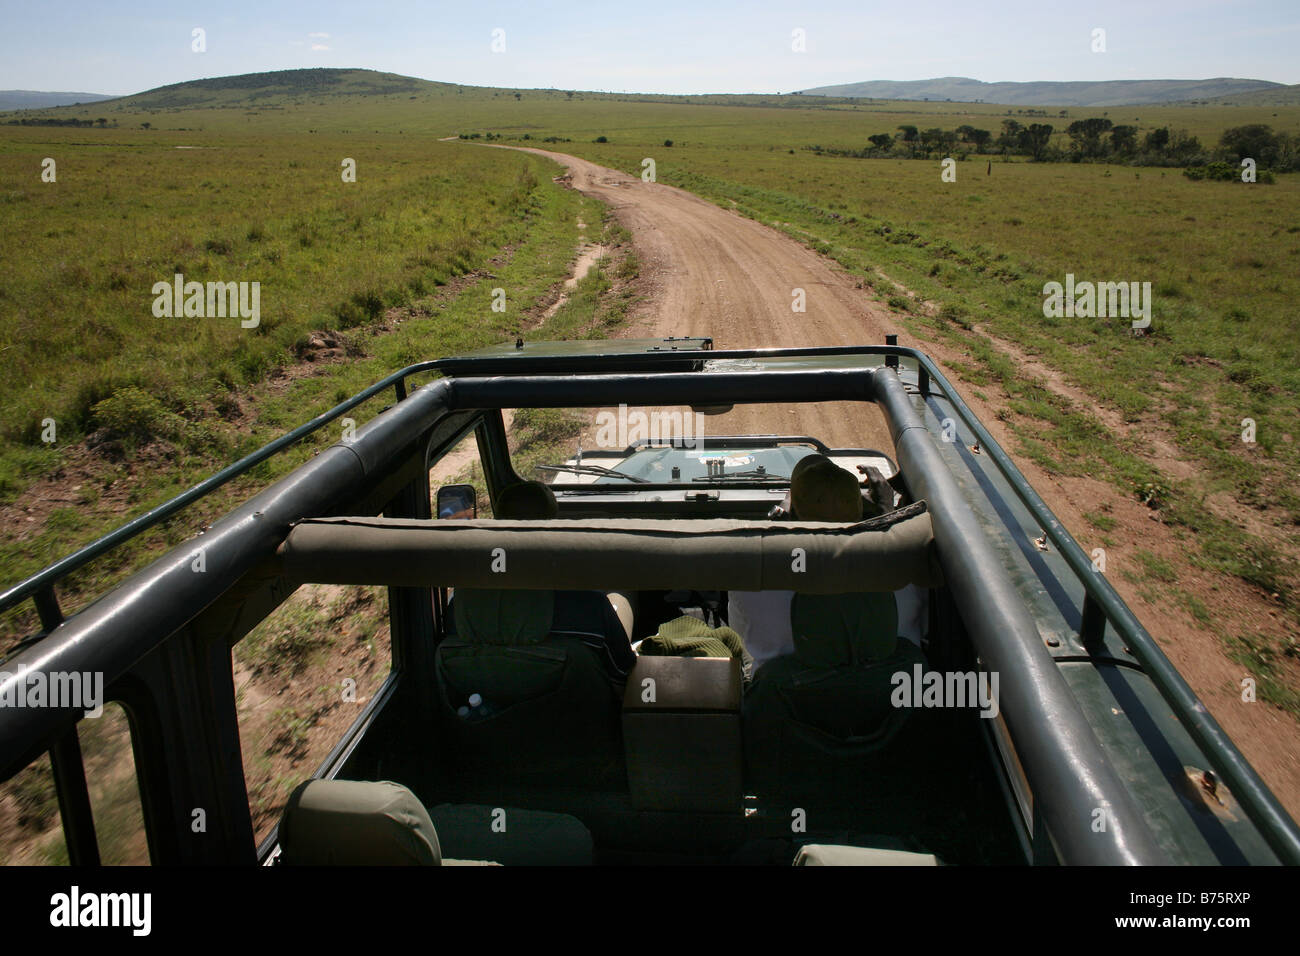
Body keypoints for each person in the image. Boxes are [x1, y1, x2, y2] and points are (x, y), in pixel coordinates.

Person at [447, 480, 636, 677]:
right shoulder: (588, 607)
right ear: (551, 529)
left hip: (483, 703)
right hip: (573, 704)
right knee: (619, 590)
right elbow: (623, 671)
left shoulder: (461, 610)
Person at [727, 456, 864, 676]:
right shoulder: (901, 573)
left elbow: (739, 635)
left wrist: (775, 529)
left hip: (780, 700)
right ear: (860, 513)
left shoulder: (753, 576)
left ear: (793, 514)